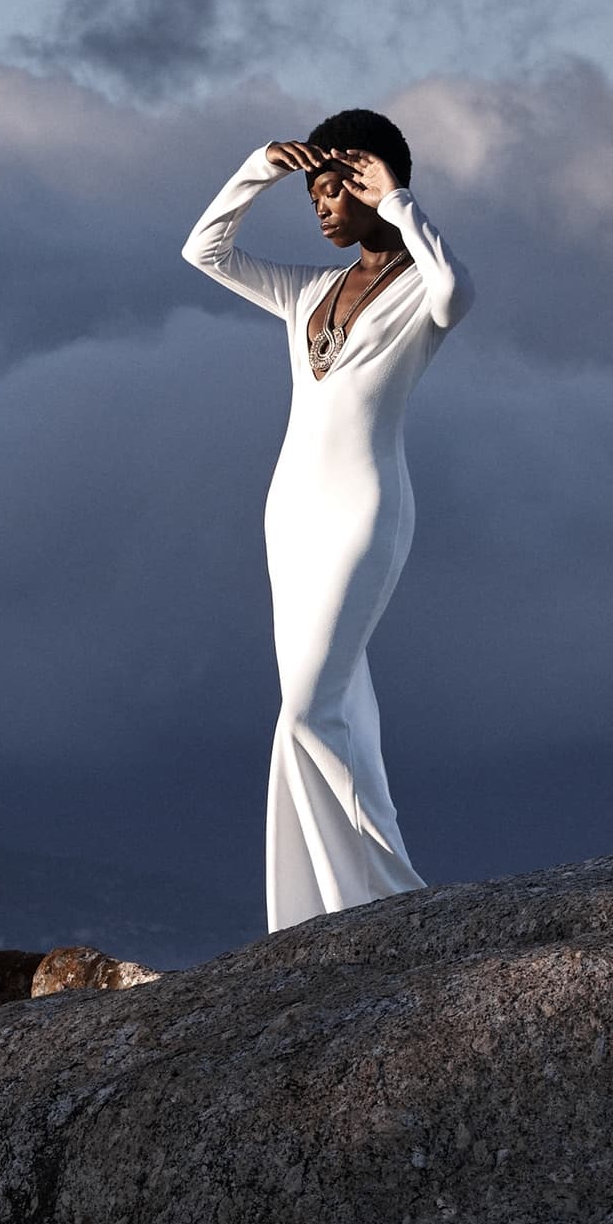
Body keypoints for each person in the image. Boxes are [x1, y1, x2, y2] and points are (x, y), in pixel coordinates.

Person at [182, 109, 474, 930]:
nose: (319, 205)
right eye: (311, 193)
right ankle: (331, 911)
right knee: (340, 711)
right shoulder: (306, 290)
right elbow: (204, 251)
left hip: (364, 513)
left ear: (372, 182)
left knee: (308, 712)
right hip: (289, 516)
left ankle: (403, 900)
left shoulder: (420, 288)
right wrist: (258, 169)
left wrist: (400, 200)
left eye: (334, 188)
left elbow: (457, 293)